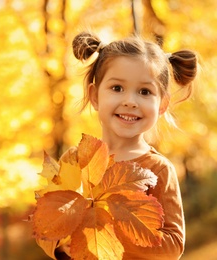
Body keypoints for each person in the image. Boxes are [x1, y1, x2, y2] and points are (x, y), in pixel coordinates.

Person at [37, 31, 198, 260]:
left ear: (162, 104)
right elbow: (44, 222)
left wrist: (109, 231)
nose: (130, 101)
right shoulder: (74, 161)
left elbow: (173, 245)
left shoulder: (157, 169)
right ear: (94, 96)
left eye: (144, 92)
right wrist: (61, 246)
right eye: (117, 88)